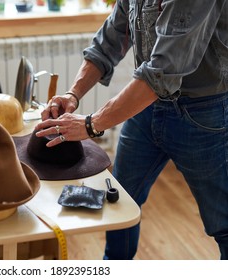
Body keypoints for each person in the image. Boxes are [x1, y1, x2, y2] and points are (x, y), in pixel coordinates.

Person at [35, 0, 228, 259]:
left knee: (223, 223)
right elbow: (109, 40)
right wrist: (73, 94)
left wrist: (91, 124)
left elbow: (162, 73)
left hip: (203, 114)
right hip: (148, 106)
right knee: (121, 201)